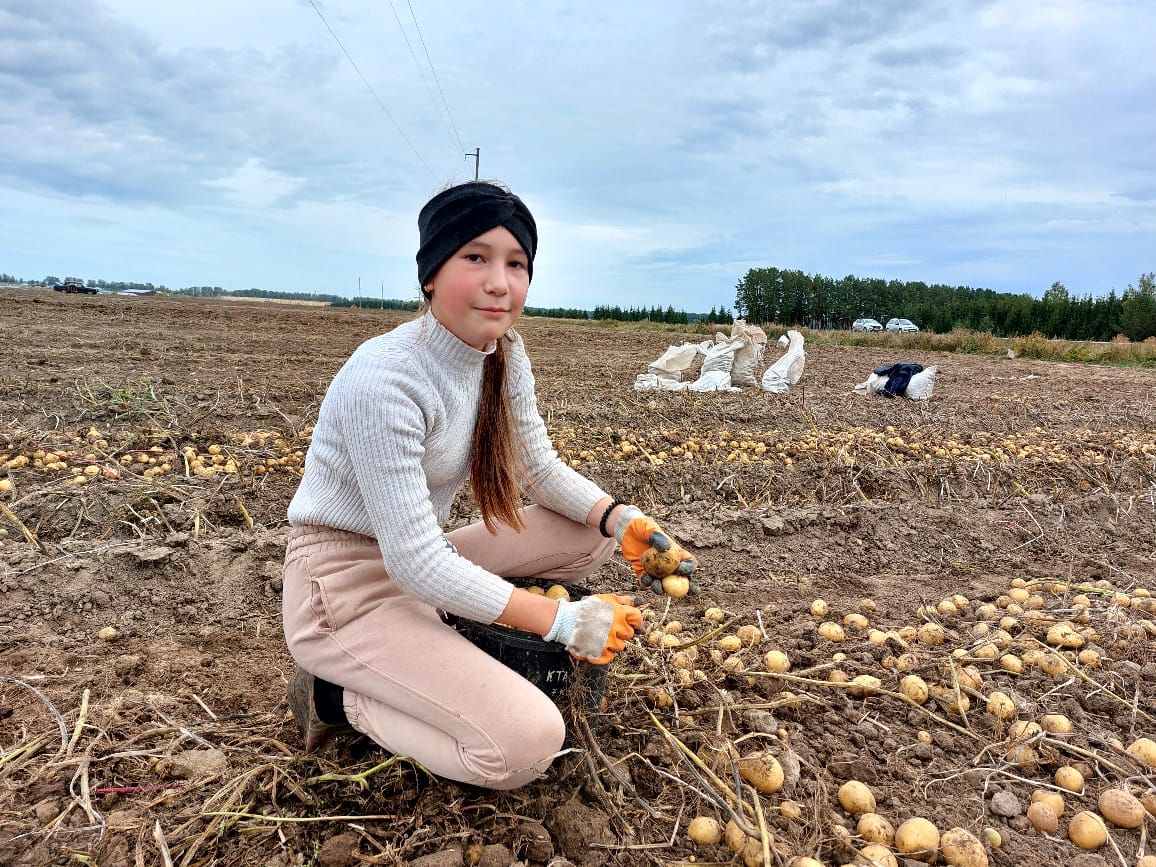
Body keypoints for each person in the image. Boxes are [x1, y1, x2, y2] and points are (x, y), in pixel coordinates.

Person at [281, 180, 697, 790]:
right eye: (475, 257)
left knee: (587, 537)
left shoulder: (503, 354)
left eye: (517, 263)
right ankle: (336, 697)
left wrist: (621, 518)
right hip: (344, 586)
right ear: (431, 274)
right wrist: (559, 622)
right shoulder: (385, 378)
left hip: (418, 561)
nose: (499, 282)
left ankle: (435, 636)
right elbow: (416, 560)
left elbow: (537, 469)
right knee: (526, 745)